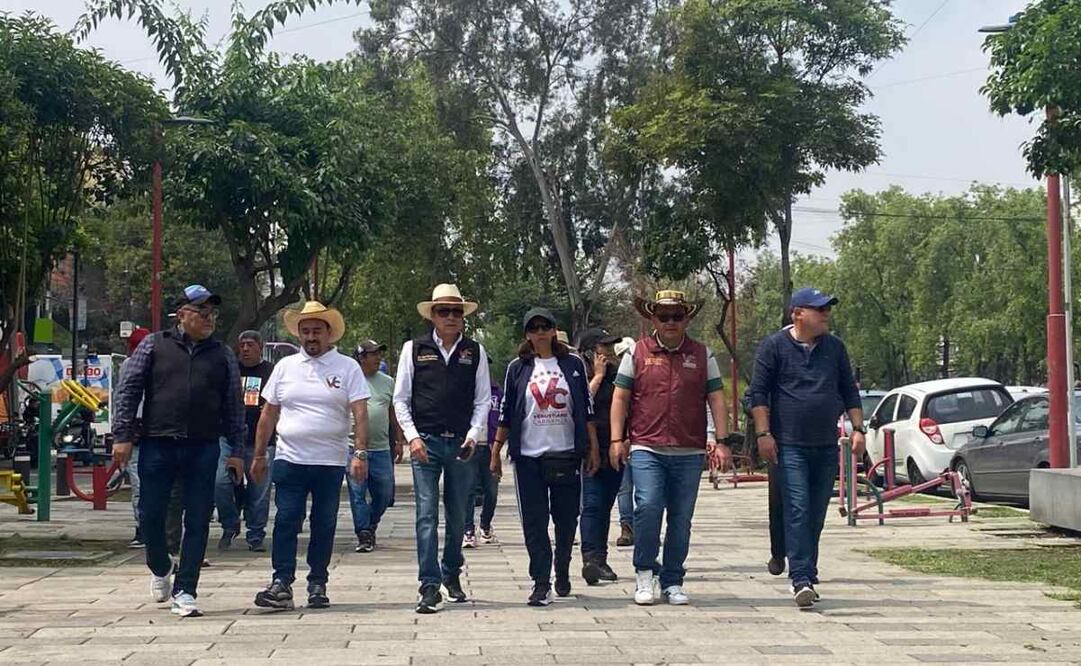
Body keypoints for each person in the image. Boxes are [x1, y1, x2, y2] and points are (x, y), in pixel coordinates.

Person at [112, 285, 246, 618]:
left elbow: (234, 406)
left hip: (203, 446)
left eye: (213, 313)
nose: (209, 319)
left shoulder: (222, 354)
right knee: (150, 514)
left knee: (198, 518)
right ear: (182, 314)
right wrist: (122, 436)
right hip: (158, 443)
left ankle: (185, 590)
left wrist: (237, 450)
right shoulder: (153, 345)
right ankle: (160, 565)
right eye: (202, 312)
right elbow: (128, 391)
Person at [610, 290, 733, 606]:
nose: (670, 322)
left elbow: (717, 398)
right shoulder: (636, 353)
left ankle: (673, 580)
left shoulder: (702, 355)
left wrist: (722, 441)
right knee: (648, 506)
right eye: (664, 316)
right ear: (653, 319)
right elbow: (620, 398)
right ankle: (644, 572)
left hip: (689, 450)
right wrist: (616, 439)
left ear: (687, 319)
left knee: (680, 518)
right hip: (646, 446)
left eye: (677, 316)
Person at [749, 287, 863, 608]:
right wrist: (763, 434)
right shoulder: (774, 346)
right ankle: (800, 578)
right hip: (789, 445)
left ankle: (807, 571)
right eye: (820, 309)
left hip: (825, 445)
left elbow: (849, 391)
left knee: (815, 513)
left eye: (828, 309)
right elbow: (758, 394)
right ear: (798, 313)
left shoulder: (835, 348)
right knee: (798, 508)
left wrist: (858, 429)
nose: (826, 314)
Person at [250, 302, 369, 610]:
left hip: (330, 461)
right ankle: (281, 582)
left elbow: (360, 412)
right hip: (290, 458)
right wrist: (259, 454)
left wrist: (360, 453)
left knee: (324, 523)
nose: (311, 336)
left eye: (317, 330)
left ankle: (318, 582)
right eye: (306, 331)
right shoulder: (285, 367)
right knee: (286, 519)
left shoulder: (347, 367)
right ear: (299, 335)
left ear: (329, 333)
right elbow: (268, 413)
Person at [393, 284, 491, 614]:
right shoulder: (414, 349)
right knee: (426, 514)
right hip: (426, 442)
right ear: (432, 316)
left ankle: (451, 571)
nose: (450, 317)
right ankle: (429, 585)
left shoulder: (474, 351)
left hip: (462, 443)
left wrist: (474, 434)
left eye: (456, 311)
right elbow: (400, 399)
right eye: (443, 311)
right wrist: (412, 437)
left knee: (459, 513)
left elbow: (483, 399)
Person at [491, 308, 599, 605]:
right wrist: (496, 450)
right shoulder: (518, 368)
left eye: (545, 327)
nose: (540, 332)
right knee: (534, 522)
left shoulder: (573, 364)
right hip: (529, 457)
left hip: (566, 454)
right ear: (527, 334)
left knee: (566, 519)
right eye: (534, 328)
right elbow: (507, 412)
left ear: (553, 331)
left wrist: (593, 447)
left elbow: (586, 408)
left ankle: (562, 567)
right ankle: (541, 581)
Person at [216, 330, 275, 552]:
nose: (246, 349)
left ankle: (256, 533)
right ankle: (230, 523)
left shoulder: (271, 372)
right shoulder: (230, 370)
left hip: (261, 440)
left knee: (259, 489)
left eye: (250, 344)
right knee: (220, 481)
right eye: (242, 345)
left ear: (261, 347)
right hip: (228, 437)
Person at [576, 327, 625, 585]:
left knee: (606, 504)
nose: (609, 352)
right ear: (589, 353)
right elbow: (580, 405)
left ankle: (600, 558)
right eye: (603, 347)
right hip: (589, 449)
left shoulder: (618, 375)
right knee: (592, 503)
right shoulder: (578, 375)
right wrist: (597, 376)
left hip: (614, 448)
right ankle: (589, 558)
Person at [348, 339, 402, 553]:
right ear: (361, 358)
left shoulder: (388, 382)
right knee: (357, 493)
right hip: (353, 448)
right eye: (373, 354)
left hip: (381, 448)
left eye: (379, 353)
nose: (378, 358)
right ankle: (363, 533)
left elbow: (393, 414)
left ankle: (370, 523)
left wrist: (399, 440)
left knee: (385, 494)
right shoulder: (349, 379)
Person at [464, 361, 501, 548]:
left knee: (491, 490)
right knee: (468, 490)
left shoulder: (497, 393)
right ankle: (468, 530)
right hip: (469, 445)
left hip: (489, 447)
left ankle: (485, 524)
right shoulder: (465, 390)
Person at [119, 326, 150, 549]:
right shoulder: (130, 365)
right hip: (142, 428)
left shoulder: (130, 364)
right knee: (141, 483)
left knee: (141, 483)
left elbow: (122, 398)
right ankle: (144, 528)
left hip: (143, 428)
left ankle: (144, 528)